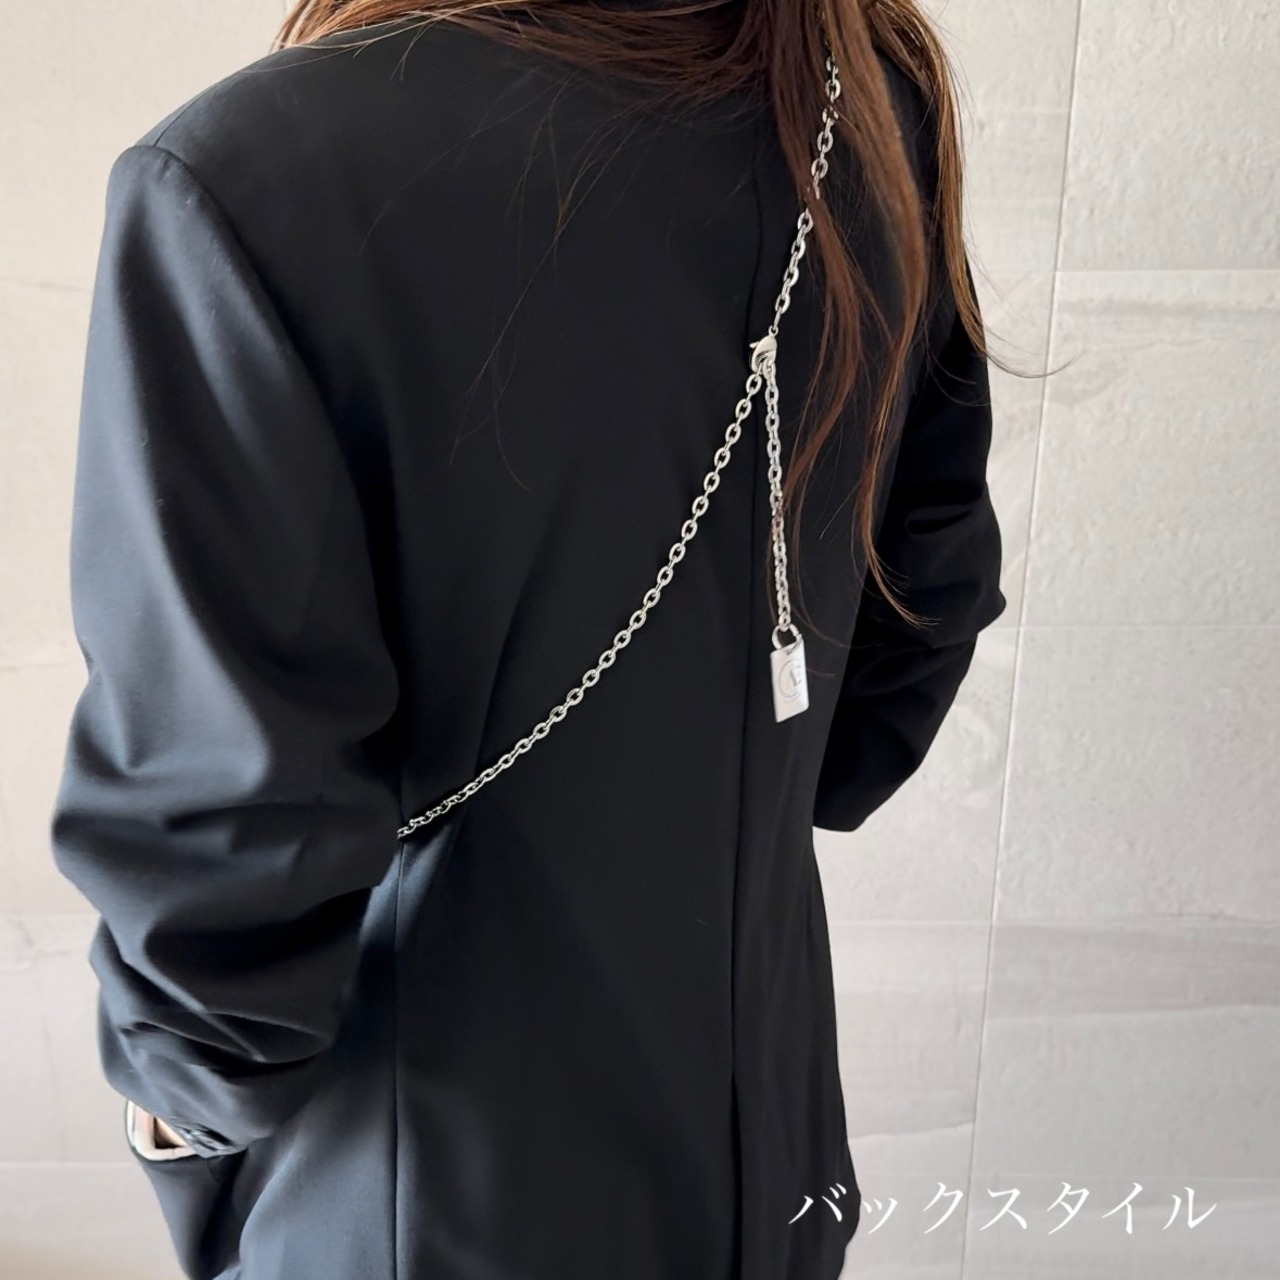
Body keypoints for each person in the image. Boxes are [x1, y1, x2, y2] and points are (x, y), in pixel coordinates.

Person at [48, 2, 1006, 1278]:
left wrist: (174, 1114)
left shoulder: (246, 180)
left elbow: (217, 864)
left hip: (420, 1203)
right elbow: (902, 651)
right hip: (768, 1158)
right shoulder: (858, 92)